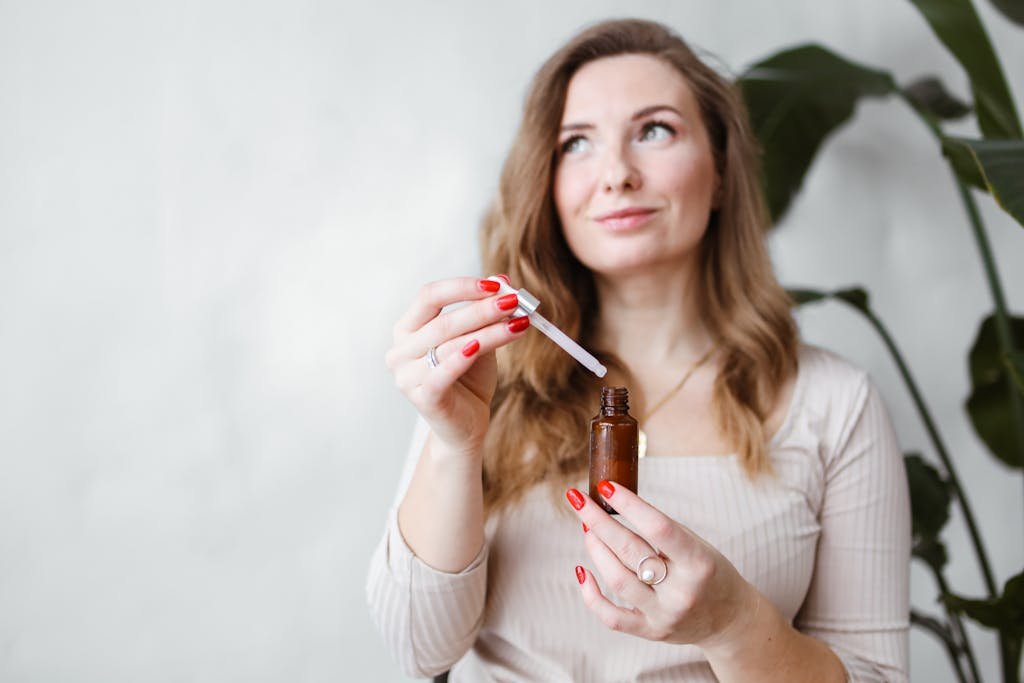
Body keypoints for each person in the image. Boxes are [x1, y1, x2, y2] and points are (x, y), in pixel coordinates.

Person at [367, 18, 910, 683]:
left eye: (655, 130)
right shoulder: (485, 381)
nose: (617, 175)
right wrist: (453, 445)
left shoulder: (833, 403)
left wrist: (733, 623)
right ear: (546, 184)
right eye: (576, 144)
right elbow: (419, 649)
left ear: (719, 175)